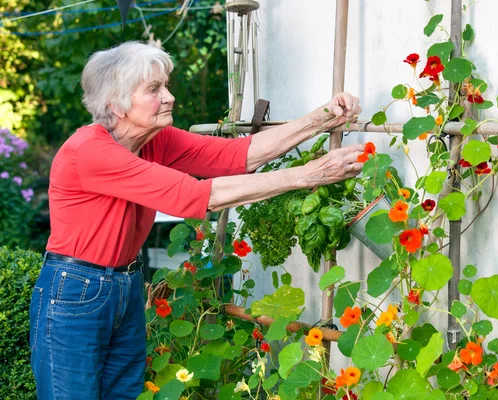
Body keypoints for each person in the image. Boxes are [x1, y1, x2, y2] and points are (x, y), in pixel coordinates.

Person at [29, 41, 364, 399]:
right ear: (115, 104)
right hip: (78, 289)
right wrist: (309, 174)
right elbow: (197, 196)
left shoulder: (153, 141)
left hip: (124, 284)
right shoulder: (91, 152)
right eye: (154, 89)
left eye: (166, 85)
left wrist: (323, 117)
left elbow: (238, 155)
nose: (170, 96)